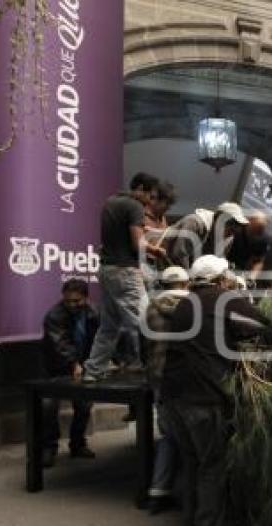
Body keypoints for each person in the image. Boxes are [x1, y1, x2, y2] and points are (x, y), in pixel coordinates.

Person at [163, 255, 272, 526]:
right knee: (212, 466)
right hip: (205, 397)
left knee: (191, 464)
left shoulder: (187, 303)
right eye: (227, 274)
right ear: (220, 278)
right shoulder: (224, 299)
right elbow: (265, 327)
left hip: (174, 397)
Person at [82, 179, 167, 381]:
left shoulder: (110, 202)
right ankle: (158, 373)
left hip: (106, 270)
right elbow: (138, 245)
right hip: (125, 272)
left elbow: (120, 234)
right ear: (139, 189)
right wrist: (156, 250)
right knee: (148, 323)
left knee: (109, 327)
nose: (150, 202)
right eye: (149, 196)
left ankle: (92, 371)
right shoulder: (135, 205)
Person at [144, 266, 190, 514]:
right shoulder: (192, 306)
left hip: (159, 377)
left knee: (167, 435)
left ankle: (158, 491)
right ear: (185, 283)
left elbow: (147, 343)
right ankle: (186, 495)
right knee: (189, 437)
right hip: (183, 377)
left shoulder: (150, 307)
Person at [40, 279, 100, 467]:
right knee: (48, 407)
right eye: (68, 301)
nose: (72, 305)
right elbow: (61, 345)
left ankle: (78, 444)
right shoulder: (54, 316)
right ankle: (49, 448)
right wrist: (73, 363)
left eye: (77, 301)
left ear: (86, 298)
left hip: (83, 364)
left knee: (83, 405)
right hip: (55, 366)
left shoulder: (93, 312)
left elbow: (100, 338)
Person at [164, 202, 250, 270]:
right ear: (217, 217)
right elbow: (179, 255)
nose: (234, 229)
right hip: (163, 261)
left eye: (237, 225)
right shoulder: (195, 223)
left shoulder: (229, 238)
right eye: (230, 223)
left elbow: (216, 262)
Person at [226, 210, 271, 282]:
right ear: (249, 222)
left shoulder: (264, 239)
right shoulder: (236, 228)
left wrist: (252, 277)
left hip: (241, 269)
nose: (256, 234)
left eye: (260, 230)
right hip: (224, 262)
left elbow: (258, 261)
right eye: (255, 229)